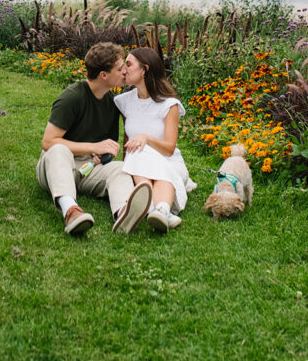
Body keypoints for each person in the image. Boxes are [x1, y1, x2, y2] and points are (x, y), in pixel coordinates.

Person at [36, 41, 152, 236]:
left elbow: (105, 148)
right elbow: (48, 142)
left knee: (120, 168)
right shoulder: (72, 97)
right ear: (103, 75)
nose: (124, 71)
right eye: (119, 68)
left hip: (88, 170)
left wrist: (103, 155)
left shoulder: (111, 103)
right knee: (58, 149)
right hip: (55, 167)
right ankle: (70, 211)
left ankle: (123, 214)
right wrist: (94, 147)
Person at [115, 47, 196, 233]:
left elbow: (168, 149)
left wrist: (146, 138)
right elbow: (128, 141)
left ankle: (157, 209)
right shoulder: (124, 101)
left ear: (145, 69)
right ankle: (161, 211)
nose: (124, 70)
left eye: (128, 65)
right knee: (137, 152)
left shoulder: (169, 105)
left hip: (168, 162)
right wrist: (124, 164)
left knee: (141, 150)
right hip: (139, 164)